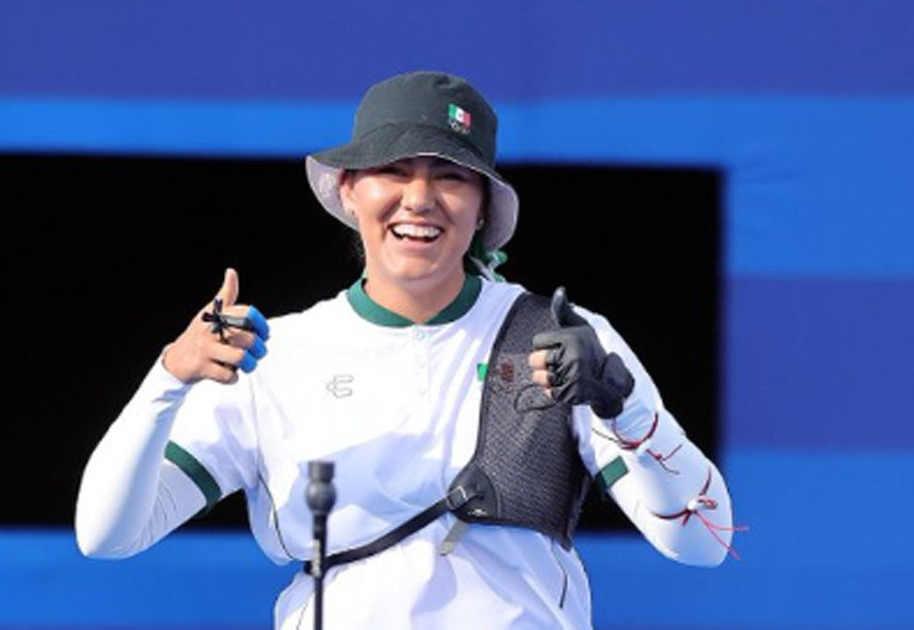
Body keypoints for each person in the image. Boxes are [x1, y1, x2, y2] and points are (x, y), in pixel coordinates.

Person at [75, 71, 736, 630]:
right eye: (393, 170)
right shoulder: (275, 354)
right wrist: (169, 377)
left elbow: (706, 542)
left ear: (483, 209)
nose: (419, 199)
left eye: (450, 176)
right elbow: (106, 535)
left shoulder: (562, 339)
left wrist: (622, 407)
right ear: (348, 190)